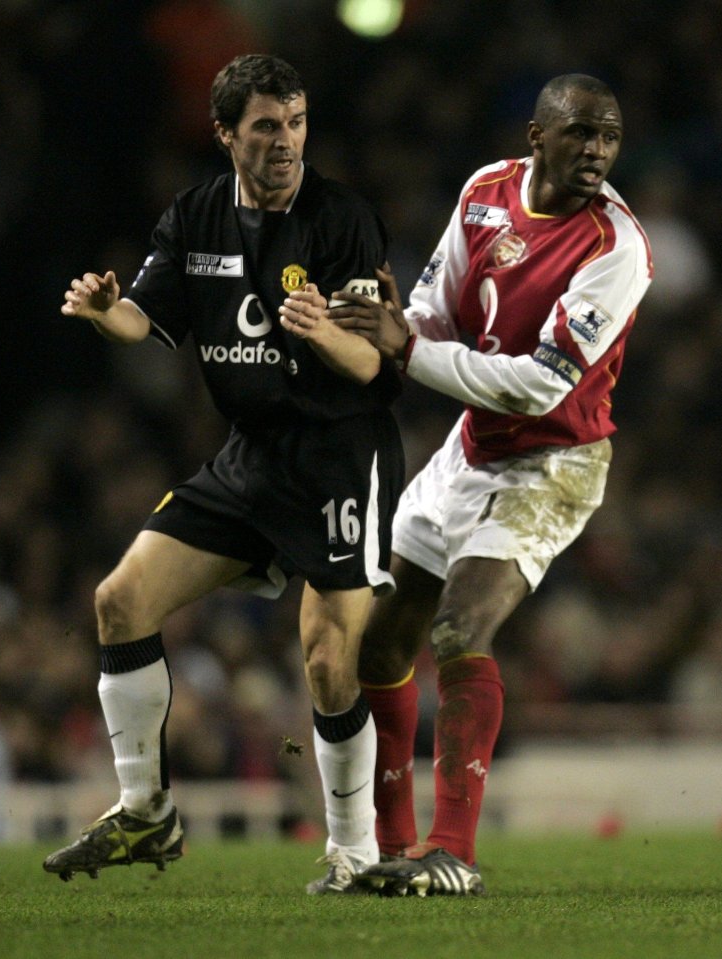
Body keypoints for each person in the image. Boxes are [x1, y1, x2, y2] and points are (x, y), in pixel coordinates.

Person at [42, 54, 405, 895]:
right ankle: (145, 811)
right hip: (249, 457)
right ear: (225, 134)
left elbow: (374, 367)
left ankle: (350, 851)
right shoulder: (196, 215)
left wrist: (323, 332)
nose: (286, 143)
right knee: (118, 600)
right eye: (267, 127)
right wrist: (106, 313)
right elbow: (143, 318)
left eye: (297, 122)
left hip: (338, 457)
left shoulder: (341, 217)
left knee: (324, 660)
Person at [281, 73, 653, 896]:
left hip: (551, 462)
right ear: (536, 136)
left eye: (608, 137)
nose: (595, 150)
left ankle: (452, 851)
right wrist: (385, 323)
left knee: (457, 628)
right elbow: (437, 309)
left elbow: (539, 386)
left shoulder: (615, 246)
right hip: (467, 450)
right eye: (580, 133)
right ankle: (390, 848)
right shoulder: (485, 192)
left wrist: (405, 351)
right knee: (377, 644)